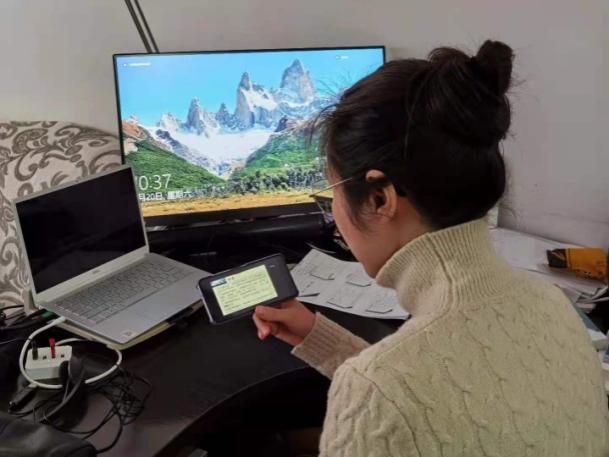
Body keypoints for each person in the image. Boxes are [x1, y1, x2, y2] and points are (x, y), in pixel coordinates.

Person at [252, 40, 609, 457]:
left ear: (380, 198)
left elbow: (397, 398)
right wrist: (321, 339)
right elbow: (452, 403)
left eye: (333, 191)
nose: (334, 211)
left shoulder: (374, 390)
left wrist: (364, 381)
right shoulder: (552, 304)